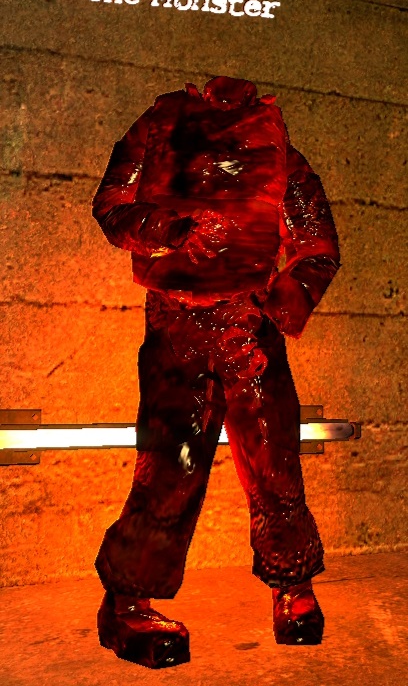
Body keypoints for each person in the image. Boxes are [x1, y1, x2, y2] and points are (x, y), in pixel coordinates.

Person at [92, 76, 341, 668]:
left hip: (249, 325)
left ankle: (291, 582)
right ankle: (128, 599)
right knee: (171, 464)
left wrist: (279, 304)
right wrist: (169, 231)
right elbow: (112, 207)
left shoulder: (277, 149)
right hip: (177, 321)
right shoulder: (160, 128)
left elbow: (318, 244)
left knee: (275, 460)